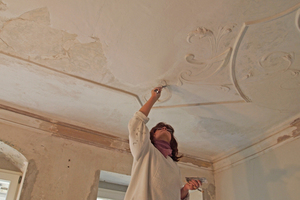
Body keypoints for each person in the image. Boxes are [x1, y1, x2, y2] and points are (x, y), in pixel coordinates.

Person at [124, 87, 201, 200]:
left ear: (172, 141)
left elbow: (174, 196)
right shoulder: (145, 150)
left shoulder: (174, 166)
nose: (164, 128)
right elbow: (136, 123)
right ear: (151, 135)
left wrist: (185, 189)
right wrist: (153, 98)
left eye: (168, 130)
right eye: (159, 128)